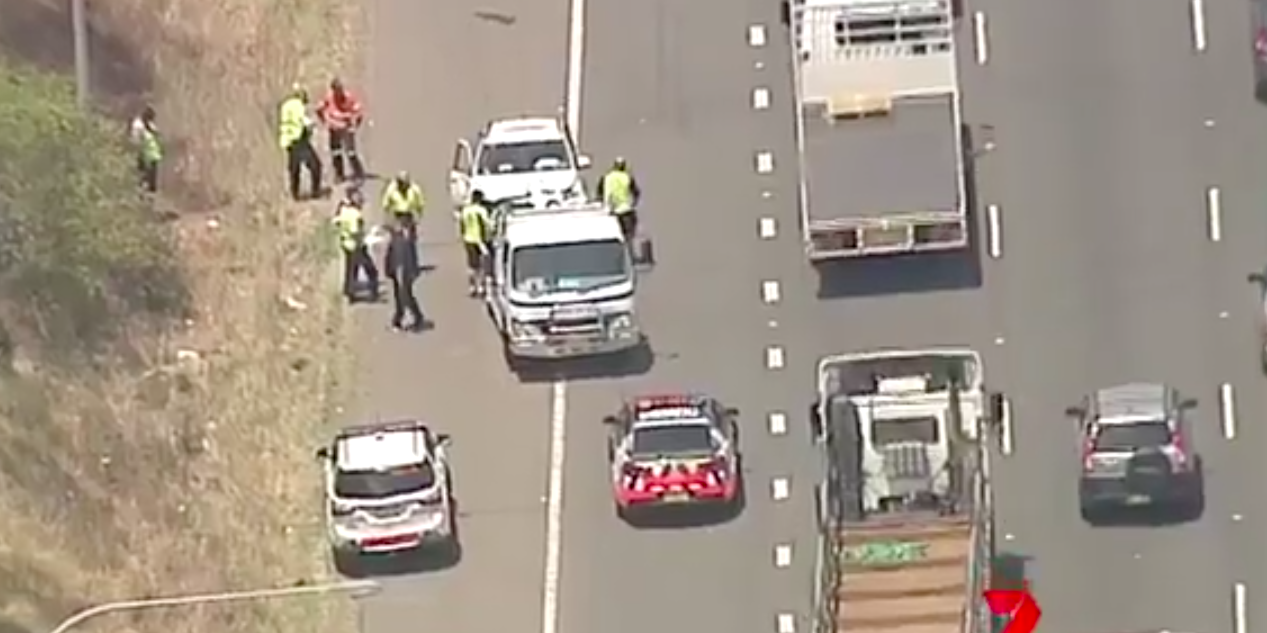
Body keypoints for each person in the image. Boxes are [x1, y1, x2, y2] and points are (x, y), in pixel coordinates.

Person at [332, 186, 379, 303]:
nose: (361, 199)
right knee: (370, 269)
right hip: (356, 245)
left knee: (351, 270)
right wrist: (365, 240)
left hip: (346, 243)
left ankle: (349, 292)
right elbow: (355, 231)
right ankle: (373, 293)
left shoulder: (343, 209)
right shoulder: (355, 215)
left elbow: (336, 222)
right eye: (358, 197)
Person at [278, 84, 323, 200]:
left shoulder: (285, 105)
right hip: (299, 140)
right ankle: (315, 192)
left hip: (288, 141)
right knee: (316, 165)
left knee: (294, 169)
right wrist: (311, 124)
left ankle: (295, 194)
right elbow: (302, 120)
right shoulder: (298, 106)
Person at [317, 78, 366, 183]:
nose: (338, 93)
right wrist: (324, 121)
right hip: (334, 129)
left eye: (340, 90)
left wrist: (355, 125)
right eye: (336, 91)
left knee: (351, 152)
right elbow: (319, 108)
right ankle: (339, 175)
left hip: (346, 129)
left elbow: (359, 111)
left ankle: (358, 172)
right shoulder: (329, 97)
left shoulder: (348, 97)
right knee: (336, 152)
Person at [383, 219, 425, 331]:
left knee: (404, 297)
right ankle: (410, 318)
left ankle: (403, 320)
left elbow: (401, 260)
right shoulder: (398, 240)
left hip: (403, 273)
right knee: (403, 297)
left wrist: (398, 273)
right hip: (400, 273)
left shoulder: (400, 241)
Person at [596, 157, 641, 241]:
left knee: (612, 238)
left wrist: (604, 205)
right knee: (628, 236)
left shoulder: (607, 177)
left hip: (611, 211)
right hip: (626, 210)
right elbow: (636, 193)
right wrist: (633, 203)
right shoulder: (627, 176)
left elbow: (599, 193)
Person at [458, 190, 493, 296]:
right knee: (483, 264)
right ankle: (481, 287)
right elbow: (487, 225)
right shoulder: (481, 210)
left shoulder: (465, 210)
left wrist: (463, 236)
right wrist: (489, 237)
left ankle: (472, 287)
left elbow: (462, 224)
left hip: (468, 239)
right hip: (480, 240)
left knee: (472, 265)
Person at [129, 105, 163, 193]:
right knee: (144, 174)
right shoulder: (138, 125)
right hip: (144, 153)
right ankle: (142, 191)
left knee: (152, 176)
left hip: (153, 154)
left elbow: (156, 133)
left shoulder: (149, 124)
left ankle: (150, 191)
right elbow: (135, 140)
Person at [380, 171, 425, 237]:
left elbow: (420, 203)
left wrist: (419, 217)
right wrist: (387, 219)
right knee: (397, 234)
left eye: (405, 183)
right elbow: (385, 204)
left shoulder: (414, 188)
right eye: (401, 183)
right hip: (397, 216)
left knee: (412, 234)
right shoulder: (392, 188)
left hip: (410, 215)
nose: (403, 185)